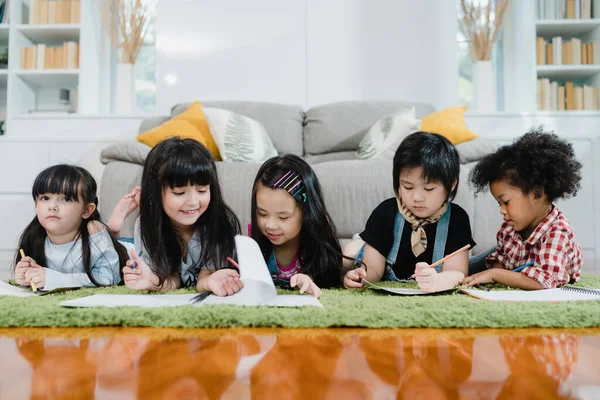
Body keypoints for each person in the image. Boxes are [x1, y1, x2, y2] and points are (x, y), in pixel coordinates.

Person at [343, 131, 476, 293]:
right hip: (369, 253)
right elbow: (374, 269)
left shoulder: (457, 219)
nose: (417, 197)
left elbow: (458, 272)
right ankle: (358, 243)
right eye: (408, 187)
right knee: (347, 255)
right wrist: (361, 277)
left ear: (452, 184)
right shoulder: (385, 213)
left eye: (429, 188)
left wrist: (439, 280)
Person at [114, 137, 243, 295]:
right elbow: (172, 280)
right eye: (179, 193)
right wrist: (154, 282)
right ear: (155, 192)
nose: (193, 202)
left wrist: (210, 281)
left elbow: (205, 278)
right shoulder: (147, 225)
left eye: (202, 191)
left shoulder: (218, 223)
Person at [464, 129, 583, 290]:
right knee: (469, 269)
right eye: (499, 204)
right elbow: (502, 259)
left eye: (506, 202)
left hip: (545, 277)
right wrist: (492, 273)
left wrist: (495, 275)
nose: (502, 211)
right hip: (521, 267)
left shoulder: (558, 232)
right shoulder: (509, 228)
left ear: (537, 193)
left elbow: (543, 282)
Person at [15, 165, 128, 291]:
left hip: (130, 254)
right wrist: (26, 275)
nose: (52, 206)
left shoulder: (93, 231)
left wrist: (54, 279)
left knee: (126, 245)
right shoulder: (34, 236)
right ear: (36, 204)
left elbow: (109, 278)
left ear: (86, 210)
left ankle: (114, 228)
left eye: (66, 199)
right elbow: (42, 276)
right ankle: (113, 229)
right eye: (45, 198)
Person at [249, 154, 343, 298]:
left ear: (307, 213)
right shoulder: (253, 241)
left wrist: (309, 279)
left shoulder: (316, 245)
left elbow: (330, 274)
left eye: (283, 217)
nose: (270, 225)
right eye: (262, 214)